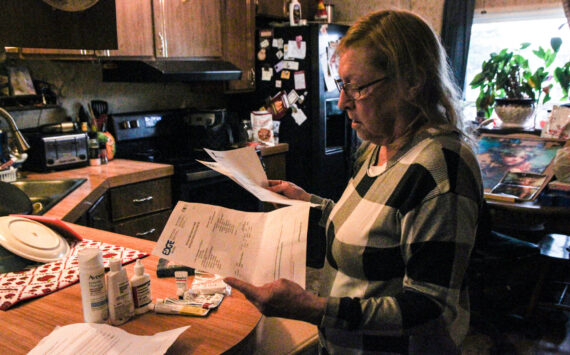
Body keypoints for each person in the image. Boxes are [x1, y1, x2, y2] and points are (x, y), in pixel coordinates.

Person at [224, 9, 484, 354]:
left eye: (357, 87)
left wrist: (311, 307)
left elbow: (430, 307)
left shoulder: (440, 167)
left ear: (412, 82)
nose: (344, 101)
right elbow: (372, 232)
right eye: (342, 85)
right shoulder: (376, 147)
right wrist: (309, 203)